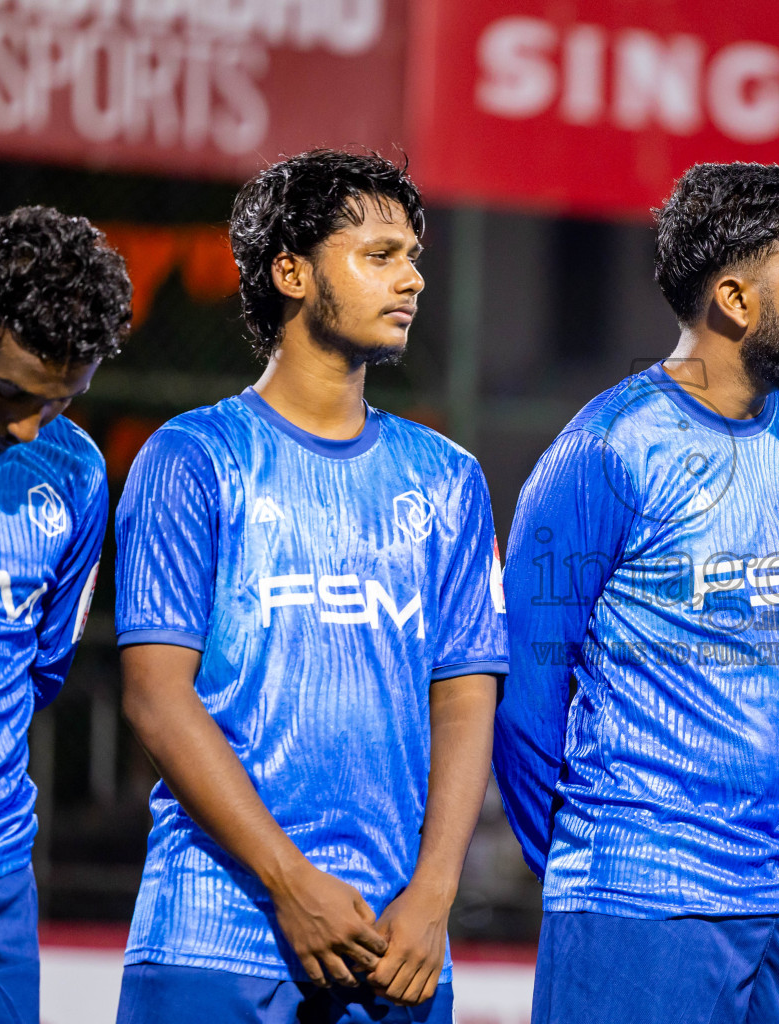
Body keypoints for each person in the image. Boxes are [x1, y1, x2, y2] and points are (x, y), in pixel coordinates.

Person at [112, 150, 507, 1023]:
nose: (410, 280)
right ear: (291, 272)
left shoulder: (447, 477)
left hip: (394, 944)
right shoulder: (193, 459)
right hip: (213, 934)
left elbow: (466, 697)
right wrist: (291, 884)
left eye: (414, 258)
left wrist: (434, 895)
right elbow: (154, 699)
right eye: (379, 255)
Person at [494, 162, 779, 1024]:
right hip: (641, 895)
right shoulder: (607, 449)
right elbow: (527, 697)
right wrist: (599, 876)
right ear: (734, 298)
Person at [0, 206, 131, 1021]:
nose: (27, 427)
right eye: (6, 391)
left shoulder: (75, 473)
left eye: (60, 402)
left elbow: (40, 672)